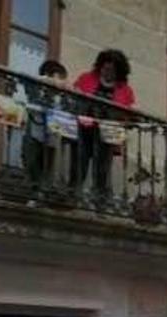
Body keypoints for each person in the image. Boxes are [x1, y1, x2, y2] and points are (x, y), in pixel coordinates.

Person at [71, 49, 135, 202]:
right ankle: (73, 194)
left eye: (112, 70)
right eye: (105, 68)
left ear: (119, 72)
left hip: (106, 135)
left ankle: (100, 200)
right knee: (79, 163)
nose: (108, 72)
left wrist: (126, 118)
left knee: (102, 170)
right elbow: (74, 99)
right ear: (100, 66)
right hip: (83, 131)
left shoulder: (125, 89)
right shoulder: (86, 78)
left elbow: (129, 114)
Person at [23, 60, 68, 188]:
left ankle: (41, 194)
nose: (60, 83)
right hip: (33, 134)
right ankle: (31, 193)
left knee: (47, 169)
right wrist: (48, 80)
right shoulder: (36, 89)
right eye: (59, 78)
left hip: (51, 139)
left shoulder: (59, 97)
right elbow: (26, 79)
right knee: (32, 164)